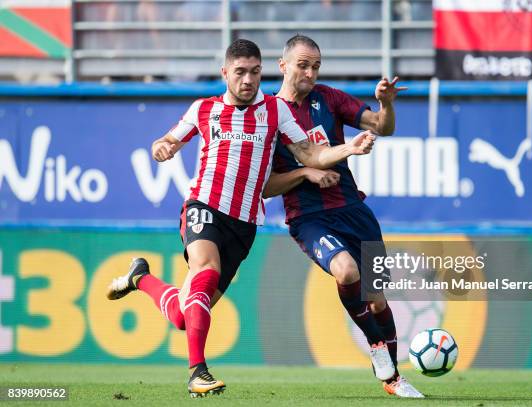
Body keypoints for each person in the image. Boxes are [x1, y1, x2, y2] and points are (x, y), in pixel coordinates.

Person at [106, 38, 376, 398]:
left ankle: (140, 278)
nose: (248, 80)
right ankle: (197, 372)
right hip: (203, 206)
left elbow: (310, 153)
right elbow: (168, 140)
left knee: (185, 317)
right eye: (240, 72)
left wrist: (348, 148)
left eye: (254, 72)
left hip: (244, 223)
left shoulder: (275, 111)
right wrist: (163, 147)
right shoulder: (203, 109)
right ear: (225, 73)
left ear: (262, 71)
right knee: (205, 271)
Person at [263, 34, 423, 398]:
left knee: (378, 298)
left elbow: (382, 127)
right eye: (303, 64)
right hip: (310, 218)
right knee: (347, 270)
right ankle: (376, 346)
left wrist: (386, 104)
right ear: (283, 64)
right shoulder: (269, 115)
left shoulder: (329, 98)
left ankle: (394, 380)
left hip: (354, 210)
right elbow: (266, 187)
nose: (310, 72)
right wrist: (305, 173)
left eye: (316, 66)